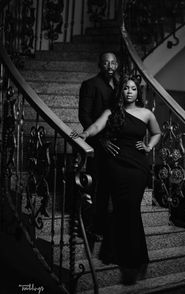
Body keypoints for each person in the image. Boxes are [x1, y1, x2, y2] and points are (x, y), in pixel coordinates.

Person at [72, 75, 161, 284]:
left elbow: (157, 133)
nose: (130, 91)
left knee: (131, 206)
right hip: (116, 165)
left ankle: (129, 254)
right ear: (120, 91)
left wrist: (148, 147)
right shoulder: (111, 112)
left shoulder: (146, 113)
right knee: (122, 207)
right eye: (126, 88)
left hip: (138, 166)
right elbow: (95, 127)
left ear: (137, 92)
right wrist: (84, 134)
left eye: (133, 89)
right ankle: (124, 254)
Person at [78, 51, 119, 237]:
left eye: (113, 63)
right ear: (99, 65)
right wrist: (100, 139)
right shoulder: (90, 85)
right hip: (98, 144)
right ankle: (88, 228)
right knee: (95, 186)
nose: (110, 66)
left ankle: (105, 227)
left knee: (110, 188)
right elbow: (84, 116)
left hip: (117, 145)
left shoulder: (120, 86)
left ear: (117, 65)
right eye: (106, 63)